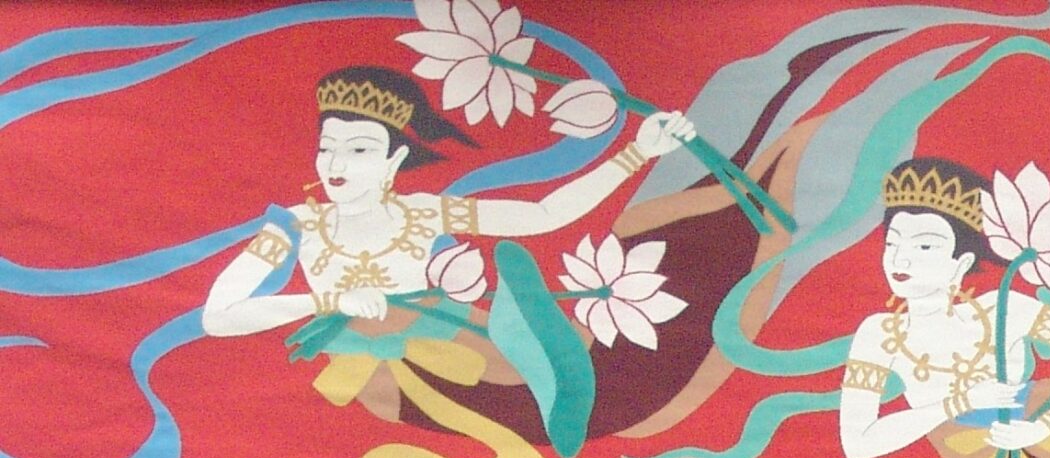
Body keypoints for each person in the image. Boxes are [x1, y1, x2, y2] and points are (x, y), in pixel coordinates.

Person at [203, 66, 696, 340]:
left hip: (441, 357)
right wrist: (328, 302)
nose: (337, 163)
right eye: (327, 147)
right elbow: (217, 316)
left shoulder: (426, 213)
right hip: (340, 384)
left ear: (395, 160)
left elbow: (546, 215)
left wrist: (637, 153)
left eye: (359, 150)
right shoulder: (296, 225)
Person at [837, 158, 1050, 458]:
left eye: (925, 247)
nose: (900, 259)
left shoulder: (1004, 308)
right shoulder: (879, 333)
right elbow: (857, 444)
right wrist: (960, 402)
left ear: (961, 263)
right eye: (892, 243)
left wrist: (1042, 427)